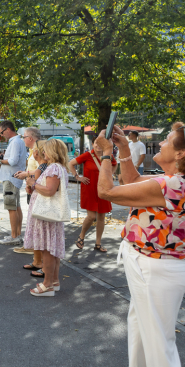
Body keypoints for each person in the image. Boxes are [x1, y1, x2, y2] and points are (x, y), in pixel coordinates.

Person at [96, 123, 185, 367]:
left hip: (154, 268)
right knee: (141, 332)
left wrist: (106, 154)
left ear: (180, 154)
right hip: (154, 265)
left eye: (167, 139)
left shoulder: (173, 185)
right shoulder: (173, 181)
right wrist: (124, 147)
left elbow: (106, 191)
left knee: (158, 343)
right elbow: (133, 179)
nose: (162, 143)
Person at [23, 139, 70, 296]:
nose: (44, 153)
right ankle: (54, 281)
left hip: (46, 215)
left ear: (53, 152)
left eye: (46, 150)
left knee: (47, 250)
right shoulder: (59, 167)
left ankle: (47, 284)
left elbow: (49, 190)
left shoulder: (54, 167)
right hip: (49, 214)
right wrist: (35, 188)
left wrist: (33, 183)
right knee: (52, 248)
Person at [69, 138, 117, 253]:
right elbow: (71, 164)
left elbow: (115, 164)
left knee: (101, 217)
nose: (98, 146)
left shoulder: (108, 155)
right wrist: (77, 177)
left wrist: (111, 174)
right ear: (92, 144)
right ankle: (81, 236)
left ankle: (98, 244)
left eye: (101, 144)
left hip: (103, 188)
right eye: (96, 143)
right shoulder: (87, 155)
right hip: (89, 188)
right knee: (91, 216)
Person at [13, 140, 48, 276]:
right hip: (38, 202)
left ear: (36, 152)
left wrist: (31, 183)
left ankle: (43, 266)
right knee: (36, 232)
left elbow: (43, 184)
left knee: (40, 233)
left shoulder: (45, 167)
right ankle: (37, 261)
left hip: (42, 205)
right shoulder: (44, 166)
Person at [0, 120, 26, 246]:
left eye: (2, 132)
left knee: (11, 208)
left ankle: (14, 236)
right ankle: (17, 234)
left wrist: (0, 162)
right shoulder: (19, 141)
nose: (1, 135)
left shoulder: (15, 142)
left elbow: (13, 161)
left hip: (10, 178)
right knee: (16, 206)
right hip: (14, 178)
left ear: (8, 129)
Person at [14, 127, 41, 255]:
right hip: (33, 187)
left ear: (30, 138)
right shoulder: (32, 150)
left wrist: (26, 174)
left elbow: (42, 170)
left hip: (39, 189)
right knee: (32, 220)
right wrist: (28, 180)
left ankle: (34, 249)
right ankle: (31, 246)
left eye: (24, 137)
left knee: (36, 221)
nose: (23, 139)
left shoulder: (38, 150)